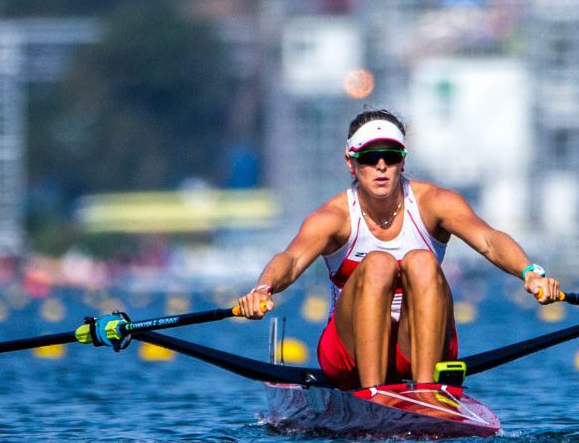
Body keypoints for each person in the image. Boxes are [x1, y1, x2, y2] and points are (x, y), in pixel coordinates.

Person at [237, 108, 561, 389]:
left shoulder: (435, 202)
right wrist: (263, 289)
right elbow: (291, 260)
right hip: (349, 355)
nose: (381, 165)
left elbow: (489, 241)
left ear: (402, 161)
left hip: (418, 345)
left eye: (390, 156)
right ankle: (373, 394)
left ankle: (426, 393)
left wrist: (531, 273)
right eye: (369, 157)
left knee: (421, 261)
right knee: (379, 263)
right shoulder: (333, 217)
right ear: (351, 162)